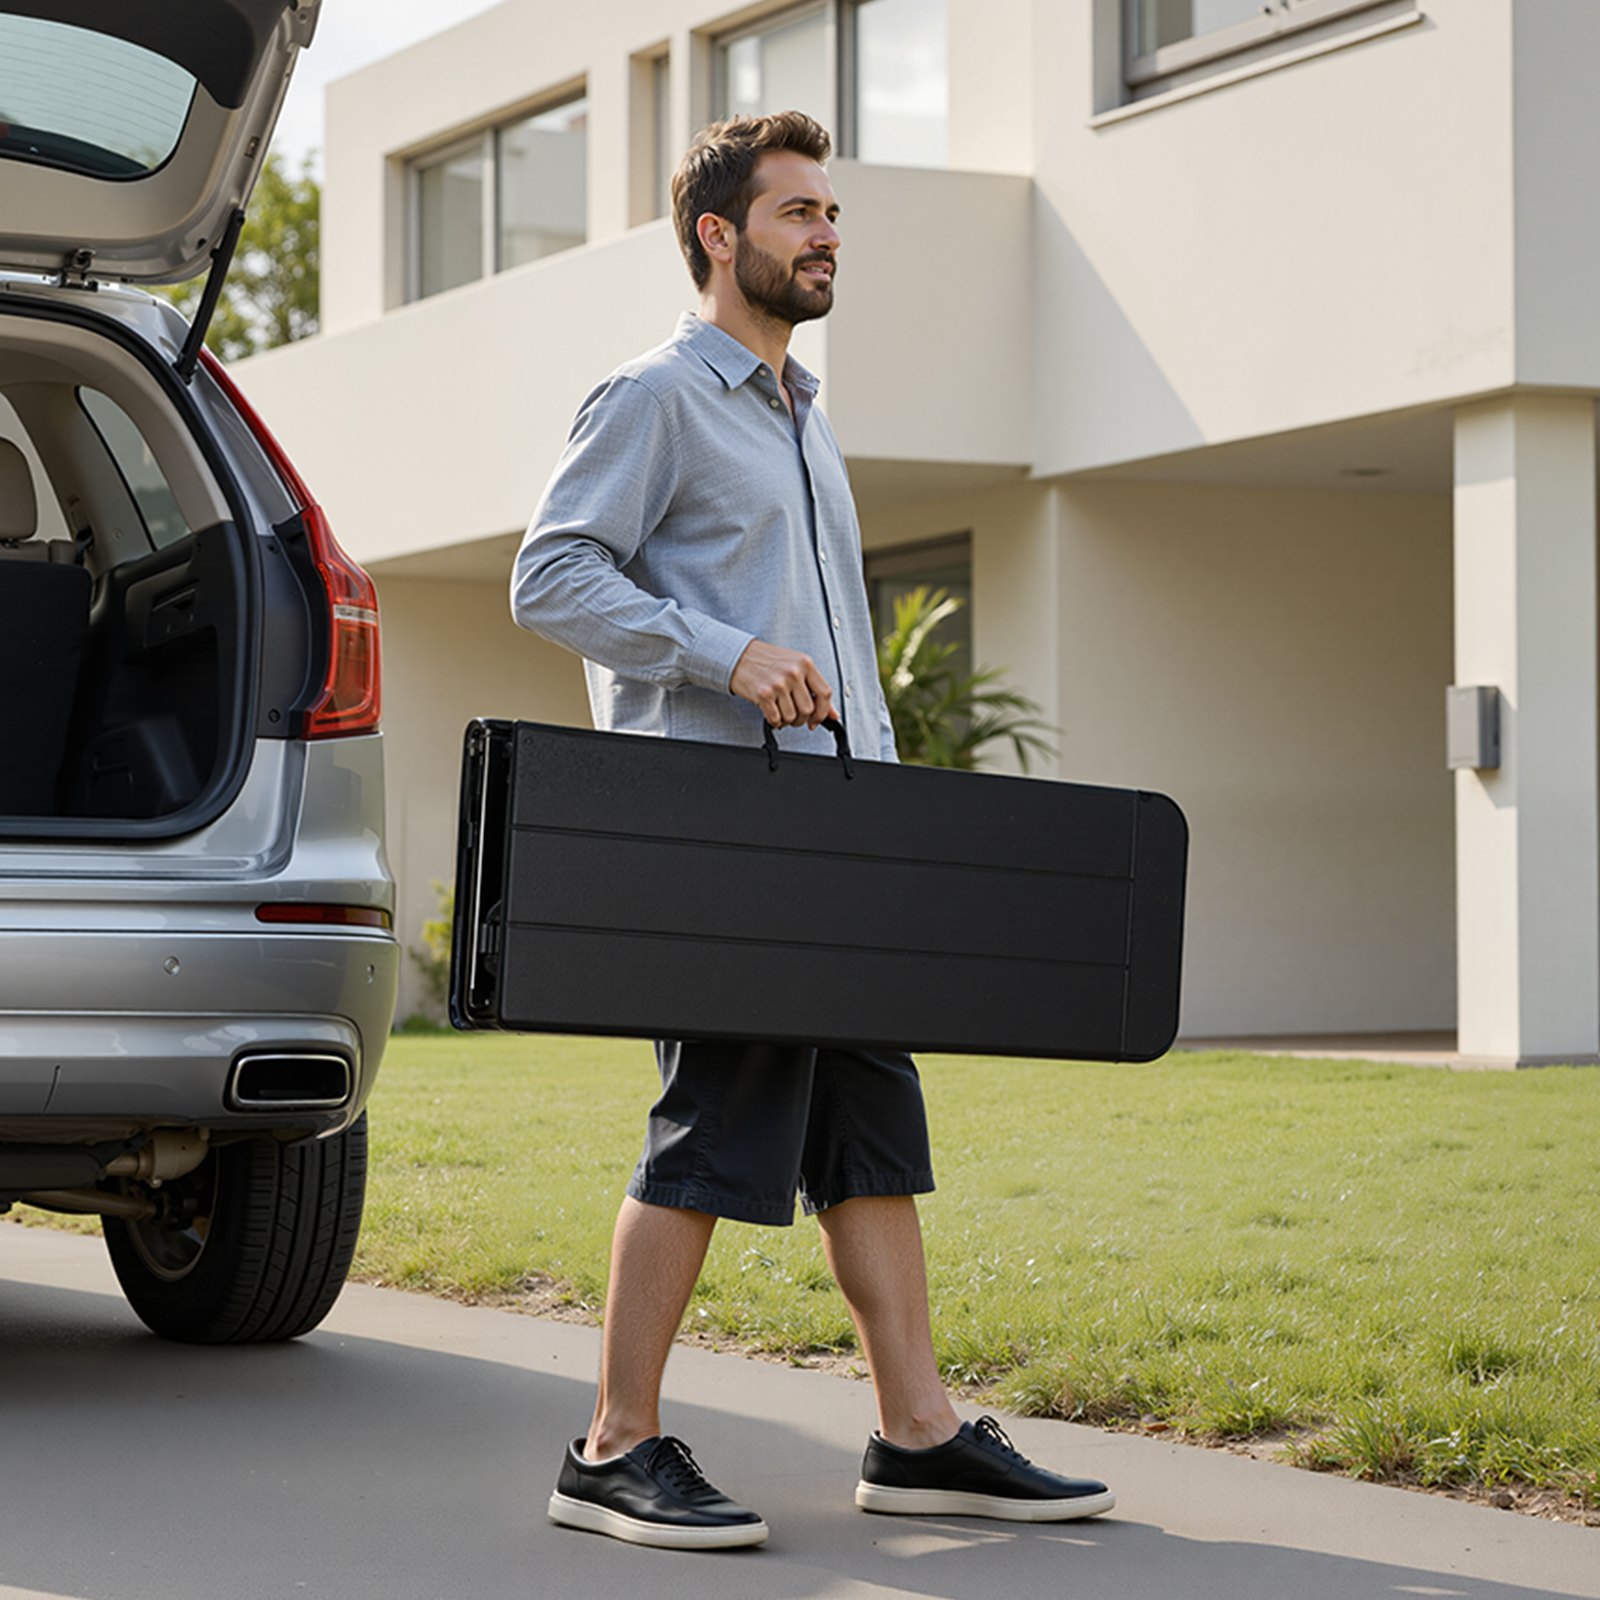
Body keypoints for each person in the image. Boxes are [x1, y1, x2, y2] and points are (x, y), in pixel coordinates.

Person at [510, 110, 1114, 1552]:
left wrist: (890, 822)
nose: (827, 235)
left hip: (833, 840)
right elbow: (549, 577)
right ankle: (611, 1445)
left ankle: (916, 1434)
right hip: (723, 841)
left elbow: (829, 644)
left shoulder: (804, 414)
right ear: (721, 236)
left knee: (869, 1130)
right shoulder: (656, 396)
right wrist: (724, 656)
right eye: (798, 215)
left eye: (833, 215)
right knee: (716, 1123)